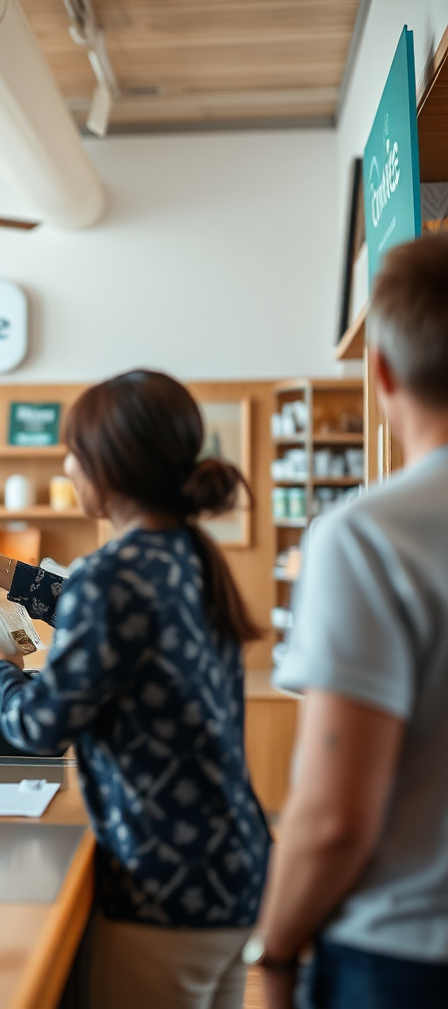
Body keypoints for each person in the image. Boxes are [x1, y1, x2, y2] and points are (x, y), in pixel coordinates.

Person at [0, 370, 271, 1009]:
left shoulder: (112, 572)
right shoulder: (191, 554)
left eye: (73, 451)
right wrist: (7, 573)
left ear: (107, 463)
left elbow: (41, 726)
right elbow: (114, 621)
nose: (67, 466)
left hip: (161, 884)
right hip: (233, 871)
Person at [253, 234, 448, 1009]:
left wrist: (272, 955)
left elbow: (334, 818)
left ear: (382, 372)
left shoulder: (369, 535)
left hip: (405, 956)